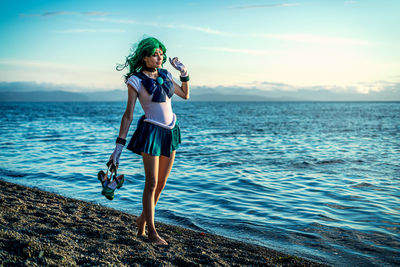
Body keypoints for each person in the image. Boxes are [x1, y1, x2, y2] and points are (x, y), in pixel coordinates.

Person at [109, 37, 189, 245]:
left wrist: (184, 73)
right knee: (151, 182)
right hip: (151, 132)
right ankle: (151, 232)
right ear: (144, 57)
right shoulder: (135, 80)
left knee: (161, 183)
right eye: (155, 54)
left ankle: (141, 220)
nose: (160, 56)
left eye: (161, 53)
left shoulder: (165, 74)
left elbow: (185, 95)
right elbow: (128, 114)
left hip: (171, 131)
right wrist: (118, 148)